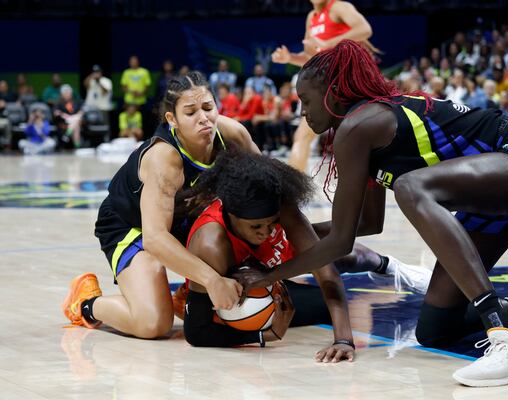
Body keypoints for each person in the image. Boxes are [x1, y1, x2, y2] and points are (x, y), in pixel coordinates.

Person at [235, 40, 508, 387]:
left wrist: (267, 275)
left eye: (305, 100)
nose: (301, 110)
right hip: (488, 191)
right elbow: (367, 223)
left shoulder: (358, 126)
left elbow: (340, 241)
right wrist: (291, 234)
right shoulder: (367, 125)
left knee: (411, 187)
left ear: (333, 92)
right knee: (436, 329)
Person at [61, 71, 355, 361]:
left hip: (185, 219)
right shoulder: (164, 160)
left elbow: (268, 190)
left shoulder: (234, 135)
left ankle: (189, 294)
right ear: (172, 120)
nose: (203, 118)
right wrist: (212, 280)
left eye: (208, 107)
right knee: (153, 324)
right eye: (190, 112)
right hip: (134, 226)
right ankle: (86, 303)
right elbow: (156, 238)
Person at [182, 150, 350, 360]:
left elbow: (325, 270)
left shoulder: (282, 206)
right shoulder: (211, 245)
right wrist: (263, 335)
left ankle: (384, 264)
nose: (266, 232)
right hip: (226, 297)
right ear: (232, 215)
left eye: (273, 223)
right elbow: (196, 332)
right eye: (256, 226)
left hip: (268, 275)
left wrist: (343, 341)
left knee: (339, 279)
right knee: (326, 303)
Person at [271, 0, 376, 173]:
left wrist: (327, 44)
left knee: (358, 138)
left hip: (349, 80)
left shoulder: (338, 7)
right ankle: (291, 194)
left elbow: (365, 29)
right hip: (326, 83)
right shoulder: (311, 17)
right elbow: (311, 57)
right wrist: (289, 58)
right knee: (302, 136)